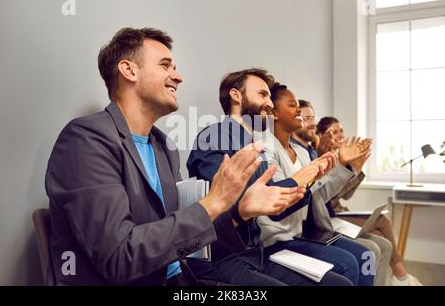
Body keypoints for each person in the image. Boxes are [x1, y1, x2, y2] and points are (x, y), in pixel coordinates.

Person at [45, 27, 305, 286]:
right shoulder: (85, 139)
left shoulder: (163, 146)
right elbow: (119, 258)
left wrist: (239, 212)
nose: (178, 77)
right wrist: (214, 202)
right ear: (129, 71)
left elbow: (184, 234)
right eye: (165, 66)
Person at [186, 68, 353, 286]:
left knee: (339, 283)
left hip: (255, 254)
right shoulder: (214, 137)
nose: (271, 104)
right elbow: (227, 206)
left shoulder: (255, 145)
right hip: (222, 258)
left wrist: (309, 179)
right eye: (262, 95)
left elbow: (274, 210)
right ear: (236, 95)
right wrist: (300, 177)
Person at [258, 84, 375, 286]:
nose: (298, 111)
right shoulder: (266, 148)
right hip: (273, 242)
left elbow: (319, 194)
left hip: (298, 236)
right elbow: (279, 200)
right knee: (349, 264)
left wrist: (343, 164)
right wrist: (310, 179)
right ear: (274, 113)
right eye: (292, 105)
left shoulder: (302, 153)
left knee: (366, 256)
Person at [315, 116, 423, 286]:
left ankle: (394, 277)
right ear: (321, 135)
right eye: (334, 132)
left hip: (339, 212)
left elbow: (346, 196)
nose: (340, 135)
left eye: (341, 130)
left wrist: (356, 170)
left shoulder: (339, 157)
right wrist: (351, 170)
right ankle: (401, 275)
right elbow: (328, 195)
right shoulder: (321, 158)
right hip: (331, 217)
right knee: (381, 223)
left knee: (381, 236)